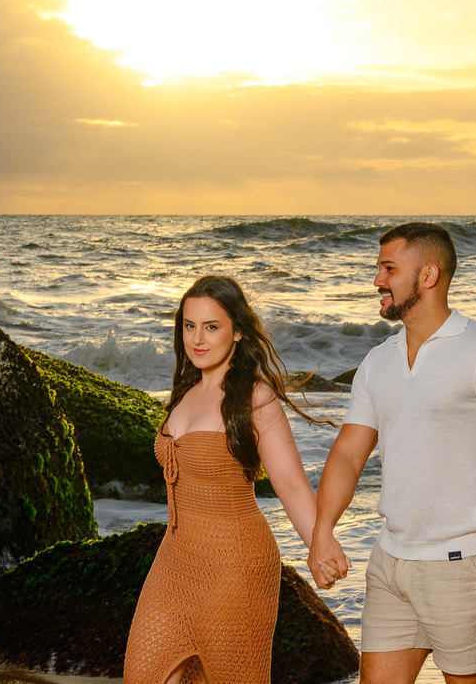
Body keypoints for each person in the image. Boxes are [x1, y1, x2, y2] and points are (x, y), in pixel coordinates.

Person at [307, 222, 476, 684]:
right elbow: (348, 452)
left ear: (427, 275)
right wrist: (323, 529)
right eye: (378, 268)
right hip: (391, 562)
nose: (377, 281)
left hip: (465, 565)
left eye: (388, 268)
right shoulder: (378, 361)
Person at [124, 275, 333, 684]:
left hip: (235, 567)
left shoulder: (255, 399)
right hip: (175, 561)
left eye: (211, 327)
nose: (197, 339)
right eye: (189, 326)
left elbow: (290, 485)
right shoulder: (185, 390)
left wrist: (321, 547)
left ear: (237, 332)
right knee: (143, 674)